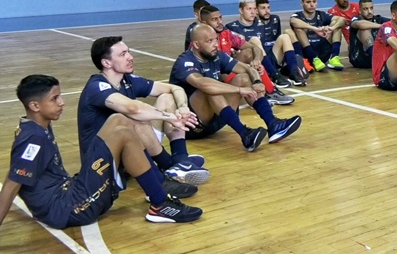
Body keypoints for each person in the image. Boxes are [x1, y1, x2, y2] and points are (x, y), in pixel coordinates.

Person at [0, 75, 202, 228]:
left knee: (119, 120)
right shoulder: (33, 139)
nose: (62, 102)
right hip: (66, 208)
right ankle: (160, 203)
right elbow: (11, 184)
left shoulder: (37, 124)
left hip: (67, 192)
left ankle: (159, 183)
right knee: (124, 135)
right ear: (35, 105)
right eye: (55, 99)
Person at [78, 36, 209, 193]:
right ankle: (166, 168)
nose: (130, 57)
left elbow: (174, 88)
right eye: (123, 54)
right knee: (134, 118)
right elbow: (134, 109)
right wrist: (171, 118)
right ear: (106, 63)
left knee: (167, 98)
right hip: (104, 159)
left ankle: (180, 159)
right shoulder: (97, 86)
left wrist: (182, 108)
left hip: (129, 150)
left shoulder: (128, 80)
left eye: (129, 52)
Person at [170, 24, 302, 152]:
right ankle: (245, 134)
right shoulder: (185, 61)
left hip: (218, 118)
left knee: (243, 78)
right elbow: (203, 83)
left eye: (216, 39)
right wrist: (238, 90)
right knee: (210, 89)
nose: (215, 44)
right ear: (196, 44)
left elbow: (247, 68)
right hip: (191, 126)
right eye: (209, 41)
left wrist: (257, 81)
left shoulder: (216, 55)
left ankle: (273, 124)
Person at [199, 6, 295, 106]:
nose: (219, 22)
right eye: (214, 19)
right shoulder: (200, 42)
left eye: (220, 18)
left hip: (228, 71)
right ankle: (259, 97)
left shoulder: (226, 34)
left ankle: (270, 91)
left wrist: (257, 61)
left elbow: (255, 48)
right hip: (215, 78)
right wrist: (249, 69)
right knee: (245, 74)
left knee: (249, 53)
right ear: (204, 23)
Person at [226, 0, 292, 88]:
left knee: (284, 36)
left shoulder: (260, 24)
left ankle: (293, 72)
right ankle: (274, 75)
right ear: (241, 10)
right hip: (249, 63)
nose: (253, 12)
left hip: (264, 60)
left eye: (254, 9)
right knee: (254, 40)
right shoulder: (231, 27)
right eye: (249, 9)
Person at [255, 0, 307, 85]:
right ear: (256, 10)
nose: (267, 11)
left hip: (274, 55)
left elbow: (277, 39)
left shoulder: (275, 19)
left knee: (285, 37)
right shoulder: (253, 23)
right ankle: (276, 73)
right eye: (263, 8)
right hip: (261, 59)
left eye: (268, 7)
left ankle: (294, 72)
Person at [290, 0, 346, 72]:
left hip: (322, 51)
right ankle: (313, 59)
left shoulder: (322, 14)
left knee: (336, 24)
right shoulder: (297, 15)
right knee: (298, 29)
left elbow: (342, 19)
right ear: (302, 3)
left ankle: (334, 57)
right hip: (307, 54)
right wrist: (315, 29)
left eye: (314, 1)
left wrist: (332, 28)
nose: (312, 5)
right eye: (308, 2)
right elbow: (293, 21)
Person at [349, 0, 390, 69]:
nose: (369, 11)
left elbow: (394, 22)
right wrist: (381, 26)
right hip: (359, 59)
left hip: (375, 59)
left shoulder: (378, 19)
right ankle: (378, 59)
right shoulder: (356, 19)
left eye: (371, 8)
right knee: (364, 30)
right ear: (360, 10)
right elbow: (360, 24)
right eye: (366, 9)